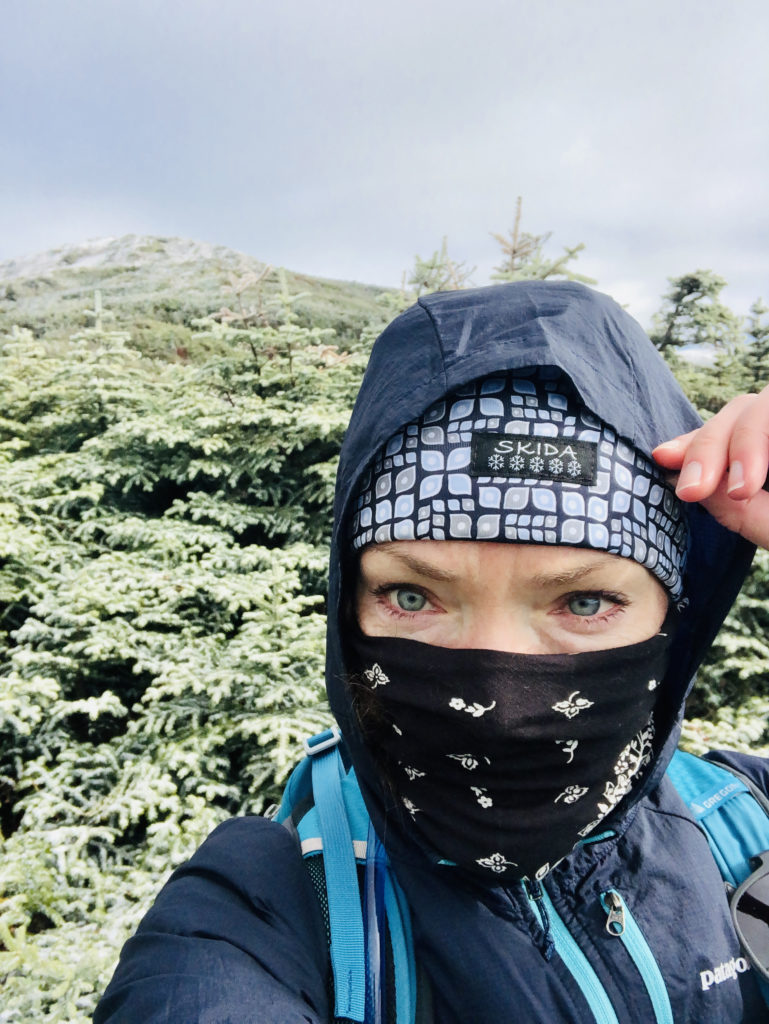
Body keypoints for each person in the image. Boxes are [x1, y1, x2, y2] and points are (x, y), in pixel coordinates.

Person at [95, 281, 769, 1022]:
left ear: (672, 618)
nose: (499, 696)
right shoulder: (266, 906)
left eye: (583, 602)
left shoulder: (744, 823)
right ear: (347, 602)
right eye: (412, 597)